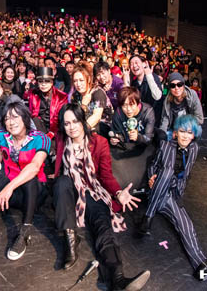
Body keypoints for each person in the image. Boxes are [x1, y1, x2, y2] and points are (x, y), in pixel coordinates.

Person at [52, 103, 150, 290]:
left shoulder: (99, 142)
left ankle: (117, 279)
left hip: (92, 191)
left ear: (83, 121)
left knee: (102, 226)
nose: (71, 127)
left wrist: (118, 193)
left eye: (75, 121)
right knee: (62, 181)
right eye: (67, 123)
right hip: (68, 194)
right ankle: (70, 241)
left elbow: (105, 175)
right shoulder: (60, 140)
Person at [137, 115, 207, 280]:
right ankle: (148, 216)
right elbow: (153, 165)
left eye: (189, 132)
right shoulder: (165, 146)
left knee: (186, 225)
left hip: (172, 194)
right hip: (157, 189)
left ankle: (201, 265)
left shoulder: (194, 149)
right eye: (182, 131)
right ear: (175, 133)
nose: (185, 136)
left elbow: (186, 175)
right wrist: (152, 177)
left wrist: (178, 189)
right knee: (166, 172)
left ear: (194, 135)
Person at [0, 100, 50, 261]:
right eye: (7, 118)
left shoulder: (40, 138)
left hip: (33, 195)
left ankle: (25, 232)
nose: (11, 122)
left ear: (25, 118)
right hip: (11, 195)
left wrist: (9, 187)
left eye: (15, 117)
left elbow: (34, 167)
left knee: (30, 179)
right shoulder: (0, 136)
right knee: (0, 178)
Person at [156, 72, 203, 144]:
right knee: (163, 136)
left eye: (179, 84)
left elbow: (199, 118)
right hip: (173, 130)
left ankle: (190, 147)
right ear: (170, 88)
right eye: (172, 86)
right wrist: (162, 133)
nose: (176, 88)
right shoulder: (167, 100)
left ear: (183, 85)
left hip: (188, 128)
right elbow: (165, 120)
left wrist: (182, 130)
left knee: (198, 130)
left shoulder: (192, 95)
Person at [69, 62, 112, 136]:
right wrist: (83, 105)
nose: (78, 84)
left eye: (81, 80)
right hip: (83, 127)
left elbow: (96, 117)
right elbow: (75, 115)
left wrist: (81, 131)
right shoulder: (75, 95)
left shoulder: (97, 92)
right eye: (75, 81)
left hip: (102, 128)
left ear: (88, 79)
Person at [28, 67, 68, 139]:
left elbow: (61, 119)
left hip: (56, 131)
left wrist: (52, 132)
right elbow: (32, 115)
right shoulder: (33, 94)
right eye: (40, 81)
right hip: (38, 129)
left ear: (52, 82)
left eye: (47, 81)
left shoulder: (61, 96)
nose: (43, 84)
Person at [128, 56, 163, 120]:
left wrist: (149, 76)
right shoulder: (134, 83)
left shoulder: (153, 77)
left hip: (154, 118)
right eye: (131, 64)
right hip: (141, 118)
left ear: (144, 63)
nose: (134, 65)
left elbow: (157, 96)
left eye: (136, 62)